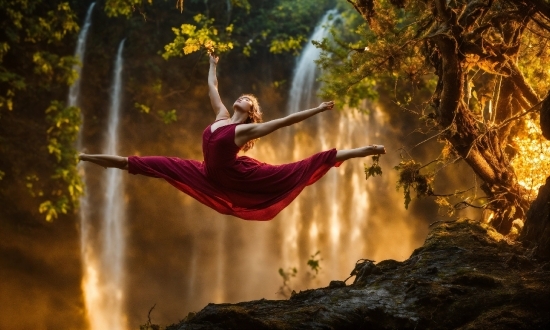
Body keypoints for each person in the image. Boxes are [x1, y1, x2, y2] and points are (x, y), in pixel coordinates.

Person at [79, 54, 386, 220]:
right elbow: (213, 89)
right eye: (241, 95)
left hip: (236, 176)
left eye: (247, 99)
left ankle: (363, 150)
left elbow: (285, 121)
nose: (241, 97)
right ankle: (86, 157)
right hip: (204, 172)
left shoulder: (245, 130)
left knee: (299, 168)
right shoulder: (221, 117)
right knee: (144, 163)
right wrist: (212, 65)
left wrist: (317, 110)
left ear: (252, 112)